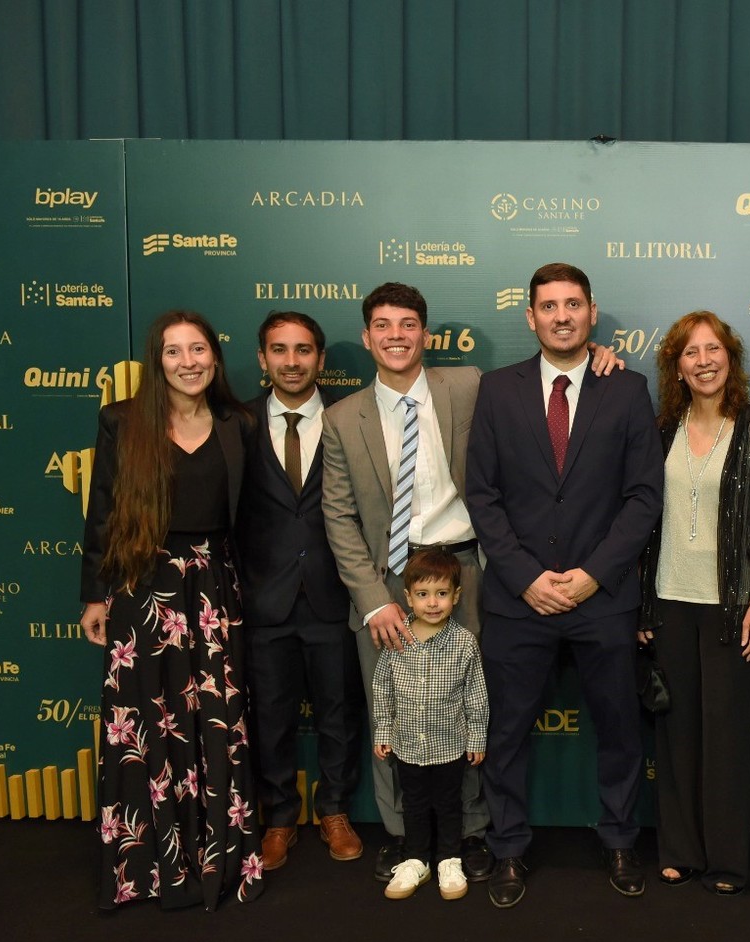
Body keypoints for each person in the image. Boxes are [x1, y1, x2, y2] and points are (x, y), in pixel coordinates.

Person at [466, 262, 663, 908]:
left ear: (591, 312)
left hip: (601, 599)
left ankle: (620, 839)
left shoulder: (627, 389)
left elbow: (643, 496)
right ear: (530, 316)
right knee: (506, 733)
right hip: (517, 600)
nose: (561, 316)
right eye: (548, 306)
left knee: (620, 728)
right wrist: (526, 578)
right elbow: (482, 496)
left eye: (572, 304)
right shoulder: (496, 390)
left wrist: (591, 576)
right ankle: (508, 848)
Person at [79, 309, 263, 910]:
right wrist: (95, 594)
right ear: (156, 361)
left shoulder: (239, 423)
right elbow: (103, 512)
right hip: (142, 586)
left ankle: (218, 859)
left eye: (198, 349)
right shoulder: (122, 421)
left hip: (213, 591)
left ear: (215, 356)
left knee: (215, 719)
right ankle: (151, 866)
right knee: (148, 724)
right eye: (174, 351)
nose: (188, 362)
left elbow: (252, 517)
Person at [321, 282, 491, 883]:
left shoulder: (468, 385)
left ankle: (468, 833)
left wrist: (598, 358)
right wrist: (373, 602)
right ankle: (403, 836)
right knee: (391, 714)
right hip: (386, 579)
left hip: (461, 573)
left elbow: (545, 379)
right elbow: (338, 515)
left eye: (408, 324)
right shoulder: (342, 418)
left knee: (463, 706)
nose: (396, 336)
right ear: (367, 337)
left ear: (425, 333)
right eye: (383, 325)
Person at [638, 311, 750, 895]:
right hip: (669, 602)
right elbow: (644, 523)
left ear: (730, 359)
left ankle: (729, 861)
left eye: (713, 349)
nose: (704, 361)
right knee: (676, 737)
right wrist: (642, 606)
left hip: (732, 606)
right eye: (691, 352)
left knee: (727, 739)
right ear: (677, 367)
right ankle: (681, 851)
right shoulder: (660, 430)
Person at [235, 311, 365, 871]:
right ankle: (280, 817)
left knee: (339, 712)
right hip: (262, 598)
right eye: (279, 350)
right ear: (262, 358)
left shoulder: (349, 417)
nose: (292, 362)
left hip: (334, 595)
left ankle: (334, 810)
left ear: (321, 358)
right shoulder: (235, 423)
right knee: (270, 716)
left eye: (304, 350)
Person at [372, 549, 489, 901]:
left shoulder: (464, 643)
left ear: (456, 596)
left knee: (449, 804)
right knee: (415, 804)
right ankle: (416, 860)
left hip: (449, 745)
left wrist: (476, 737)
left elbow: (476, 695)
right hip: (407, 745)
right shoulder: (396, 640)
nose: (433, 603)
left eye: (441, 594)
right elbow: (382, 688)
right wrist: (383, 730)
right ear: (408, 598)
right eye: (423, 594)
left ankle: (449, 860)